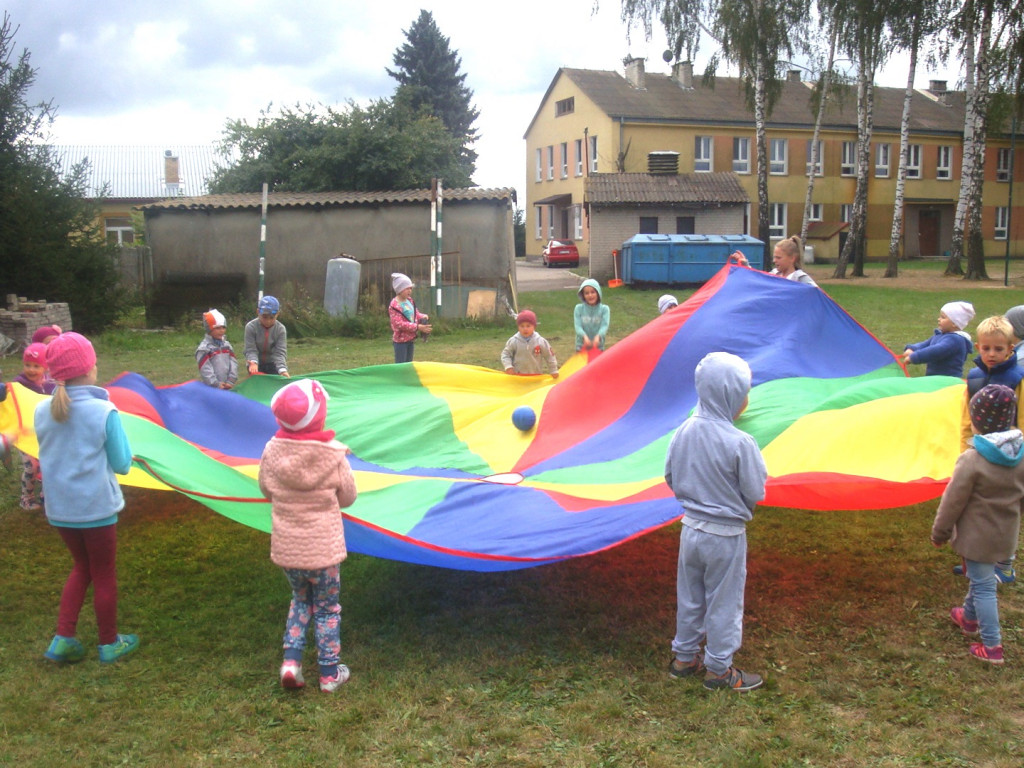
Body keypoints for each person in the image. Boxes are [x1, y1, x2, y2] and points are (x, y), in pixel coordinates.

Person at [665, 351, 767, 692]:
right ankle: (719, 670)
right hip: (725, 536)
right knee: (723, 601)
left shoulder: (683, 431)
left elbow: (670, 474)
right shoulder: (741, 442)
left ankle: (683, 658)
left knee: (690, 596)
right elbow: (755, 489)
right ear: (731, 396)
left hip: (690, 530)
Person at [34, 332, 138, 664]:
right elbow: (122, 464)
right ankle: (109, 643)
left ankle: (63, 638)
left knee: (82, 567)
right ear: (90, 368)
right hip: (96, 510)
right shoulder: (103, 410)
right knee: (104, 572)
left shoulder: (41, 410)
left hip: (60, 510)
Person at [258, 378, 358, 693]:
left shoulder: (272, 451)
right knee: (327, 608)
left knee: (300, 601)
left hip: (290, 550)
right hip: (324, 553)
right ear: (319, 416)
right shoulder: (332, 455)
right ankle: (329, 674)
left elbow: (265, 489)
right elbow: (348, 497)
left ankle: (291, 662)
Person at [932, 384, 1024, 665]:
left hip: (977, 538)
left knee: (984, 586)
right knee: (980, 577)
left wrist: (940, 532)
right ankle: (969, 617)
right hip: (1005, 535)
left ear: (977, 421)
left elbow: (952, 501)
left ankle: (992, 646)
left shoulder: (972, 460)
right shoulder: (1020, 455)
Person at [957, 315, 1024, 584]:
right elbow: (966, 418)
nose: (992, 354)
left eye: (998, 349)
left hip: (1008, 456)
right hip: (980, 454)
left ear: (1011, 348)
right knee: (976, 509)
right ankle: (974, 561)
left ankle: (1004, 565)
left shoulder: (1017, 378)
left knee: (1006, 510)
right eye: (986, 348)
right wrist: (965, 449)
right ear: (977, 346)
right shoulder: (973, 378)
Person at [14, 343, 55, 510]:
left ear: (45, 367)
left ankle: (47, 495)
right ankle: (26, 498)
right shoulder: (19, 384)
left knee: (48, 463)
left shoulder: (50, 385)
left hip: (45, 432)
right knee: (32, 466)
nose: (31, 369)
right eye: (27, 365)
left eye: (36, 366)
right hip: (24, 432)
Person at [900, 301, 975, 377]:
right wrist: (912, 349)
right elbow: (926, 344)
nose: (939, 319)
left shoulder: (955, 340)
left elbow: (935, 351)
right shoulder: (941, 335)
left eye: (943, 317)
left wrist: (915, 357)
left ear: (954, 323)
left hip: (947, 381)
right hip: (935, 379)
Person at [732, 236, 817, 286]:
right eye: (774, 257)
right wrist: (744, 264)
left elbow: (819, 296)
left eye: (778, 258)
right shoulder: (774, 274)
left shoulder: (800, 279)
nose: (774, 261)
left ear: (792, 258)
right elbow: (758, 281)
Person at [502, 310, 559, 378]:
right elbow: (506, 354)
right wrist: (508, 367)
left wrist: (553, 370)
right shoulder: (514, 341)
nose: (525, 329)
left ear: (534, 326)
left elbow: (549, 356)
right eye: (522, 326)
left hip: (535, 376)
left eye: (528, 326)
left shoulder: (540, 341)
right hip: (518, 377)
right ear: (518, 327)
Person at [388, 273, 431, 363]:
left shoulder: (409, 300)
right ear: (399, 289)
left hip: (410, 339)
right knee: (401, 365)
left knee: (408, 363)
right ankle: (399, 377)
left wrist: (422, 316)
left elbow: (415, 313)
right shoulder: (394, 305)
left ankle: (406, 377)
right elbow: (399, 324)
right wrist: (417, 327)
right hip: (400, 341)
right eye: (407, 288)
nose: (410, 291)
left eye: (411, 288)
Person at [244, 296, 289, 377]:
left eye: (272, 318)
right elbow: (250, 349)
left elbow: (280, 352)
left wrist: (282, 370)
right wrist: (253, 362)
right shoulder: (250, 327)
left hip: (273, 364)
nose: (268, 321)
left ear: (277, 314)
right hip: (255, 364)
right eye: (264, 317)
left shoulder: (280, 329)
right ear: (258, 312)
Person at [196, 309, 238, 389]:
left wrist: (231, 380)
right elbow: (205, 369)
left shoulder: (227, 345)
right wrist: (215, 384)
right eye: (217, 328)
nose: (221, 330)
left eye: (223, 327)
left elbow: (233, 363)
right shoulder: (204, 349)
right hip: (211, 388)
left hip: (227, 385)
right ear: (209, 329)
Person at [574, 278, 610, 352]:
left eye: (593, 292)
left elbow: (604, 326)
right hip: (581, 346)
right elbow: (578, 327)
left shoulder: (604, 309)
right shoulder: (578, 308)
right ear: (583, 295)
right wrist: (585, 337)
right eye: (586, 293)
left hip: (598, 347)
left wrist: (598, 337)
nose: (590, 295)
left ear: (598, 293)